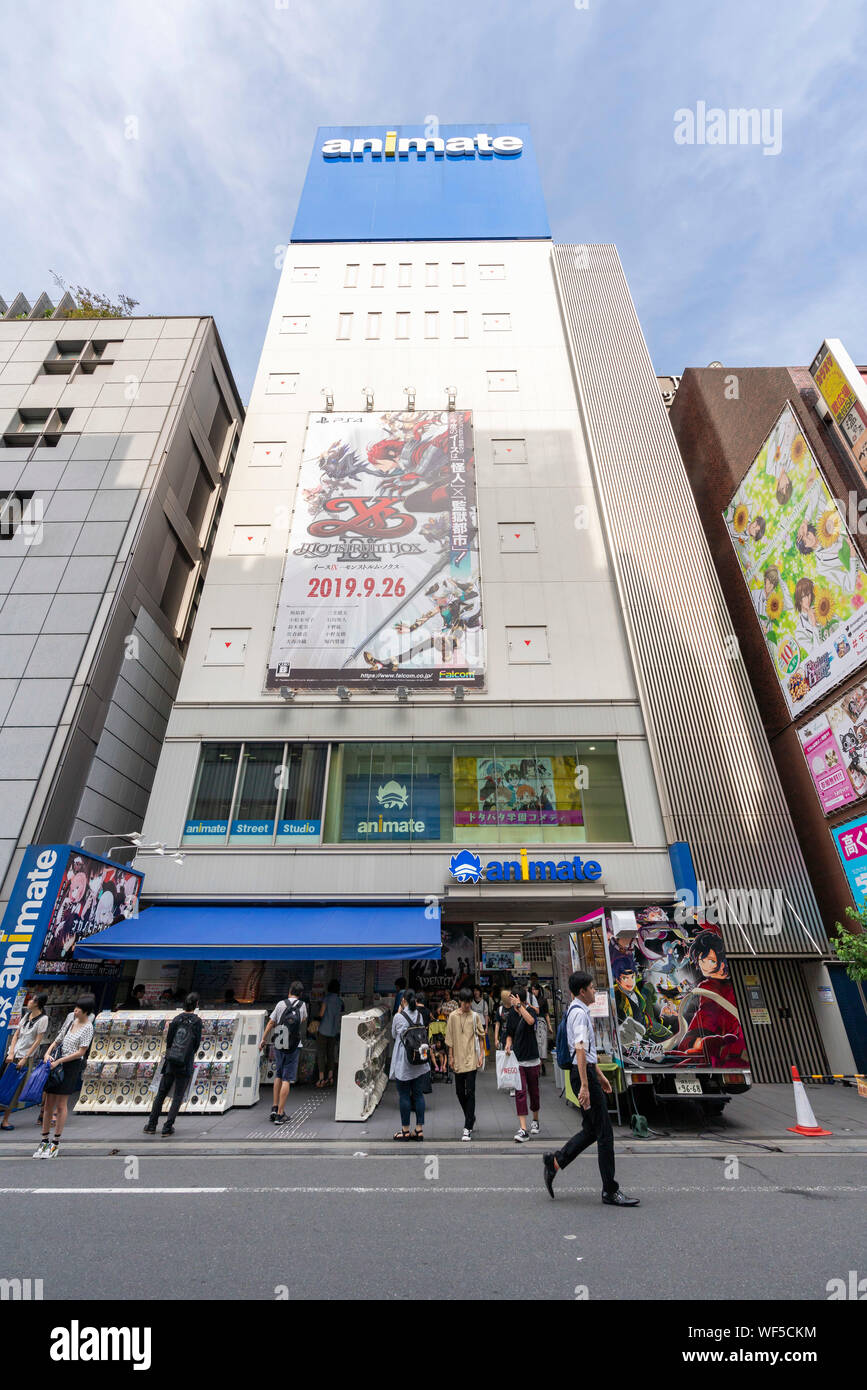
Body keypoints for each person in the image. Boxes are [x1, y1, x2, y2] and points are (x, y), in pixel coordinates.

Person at [542, 972, 639, 1206]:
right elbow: (580, 1049)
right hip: (582, 1075)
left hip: (584, 1073)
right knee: (605, 1133)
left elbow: (584, 1052)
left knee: (592, 1129)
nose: (595, 991)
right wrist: (586, 1085)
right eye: (592, 988)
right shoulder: (579, 1015)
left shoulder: (577, 1011)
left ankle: (555, 1162)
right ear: (582, 991)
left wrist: (599, 1075)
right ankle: (610, 1190)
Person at [34, 995, 96, 1159]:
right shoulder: (71, 1021)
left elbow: (81, 1052)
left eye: (78, 1009)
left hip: (70, 1066)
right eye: (75, 1008)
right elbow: (57, 1040)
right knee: (48, 1104)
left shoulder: (88, 1027)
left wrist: (59, 1061)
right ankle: (44, 1140)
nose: (75, 1011)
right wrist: (48, 1054)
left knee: (61, 1104)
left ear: (86, 1012)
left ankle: (55, 1142)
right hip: (55, 1064)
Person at [143, 992, 203, 1138]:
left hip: (171, 1061)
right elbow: (196, 1044)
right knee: (178, 1095)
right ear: (196, 1005)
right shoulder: (197, 1021)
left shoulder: (176, 1019)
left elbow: (169, 1041)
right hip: (185, 1062)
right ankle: (167, 1127)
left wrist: (172, 1053)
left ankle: (151, 1125)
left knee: (161, 1093)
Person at [259, 981, 308, 1124]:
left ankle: (274, 1108)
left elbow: (271, 1022)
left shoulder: (281, 1004)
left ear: (289, 991)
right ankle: (281, 1114)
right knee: (287, 1079)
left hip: (279, 1043)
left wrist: (263, 1039)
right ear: (301, 994)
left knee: (278, 1075)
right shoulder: (302, 1005)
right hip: (294, 1045)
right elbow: (303, 1019)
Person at [1, 992, 49, 1130]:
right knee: (2, 1084)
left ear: (37, 1003)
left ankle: (5, 1120)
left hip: (24, 1057)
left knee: (13, 1089)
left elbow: (37, 1041)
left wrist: (25, 1058)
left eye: (31, 1000)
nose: (28, 1002)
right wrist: (11, 1052)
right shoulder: (27, 1015)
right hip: (13, 1054)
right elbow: (16, 1034)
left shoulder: (43, 1019)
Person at [445, 987, 485, 1140]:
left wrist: (481, 1055)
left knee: (471, 1092)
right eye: (465, 1002)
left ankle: (468, 1126)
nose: (467, 1005)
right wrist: (450, 1056)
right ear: (460, 1001)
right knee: (459, 1092)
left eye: (469, 1002)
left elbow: (481, 1036)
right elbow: (449, 1038)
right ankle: (470, 1116)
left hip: (471, 1059)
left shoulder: (475, 1016)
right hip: (458, 1059)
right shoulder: (453, 1017)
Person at [390, 989, 428, 1140]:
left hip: (404, 1061)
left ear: (403, 1001)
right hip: (419, 1060)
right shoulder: (419, 1015)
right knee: (418, 1095)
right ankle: (419, 1130)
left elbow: (394, 1035)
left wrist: (399, 1012)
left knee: (404, 1095)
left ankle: (405, 1131)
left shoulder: (399, 1017)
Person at [504, 986, 541, 1142]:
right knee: (520, 1093)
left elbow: (530, 1021)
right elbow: (509, 1033)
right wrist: (507, 1043)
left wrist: (520, 1006)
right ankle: (523, 1128)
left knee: (534, 1093)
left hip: (532, 1058)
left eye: (513, 998)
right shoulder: (511, 1014)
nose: (511, 1002)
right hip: (518, 1059)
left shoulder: (531, 1011)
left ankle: (535, 1120)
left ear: (519, 999)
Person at [316, 979, 344, 1087]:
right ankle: (331, 1077)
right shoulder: (340, 1001)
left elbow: (322, 1013)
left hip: (323, 1030)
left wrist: (315, 1019)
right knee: (331, 1054)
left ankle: (321, 1079)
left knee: (321, 1054)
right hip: (334, 1031)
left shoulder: (326, 999)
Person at [529, 974, 553, 1075]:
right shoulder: (529, 1000)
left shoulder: (543, 1000)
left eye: (536, 989)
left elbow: (546, 1013)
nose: (534, 991)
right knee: (534, 1044)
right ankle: (537, 1066)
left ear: (539, 990)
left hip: (541, 1023)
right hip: (532, 1023)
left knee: (542, 1045)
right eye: (532, 990)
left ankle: (541, 1065)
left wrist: (549, 1025)